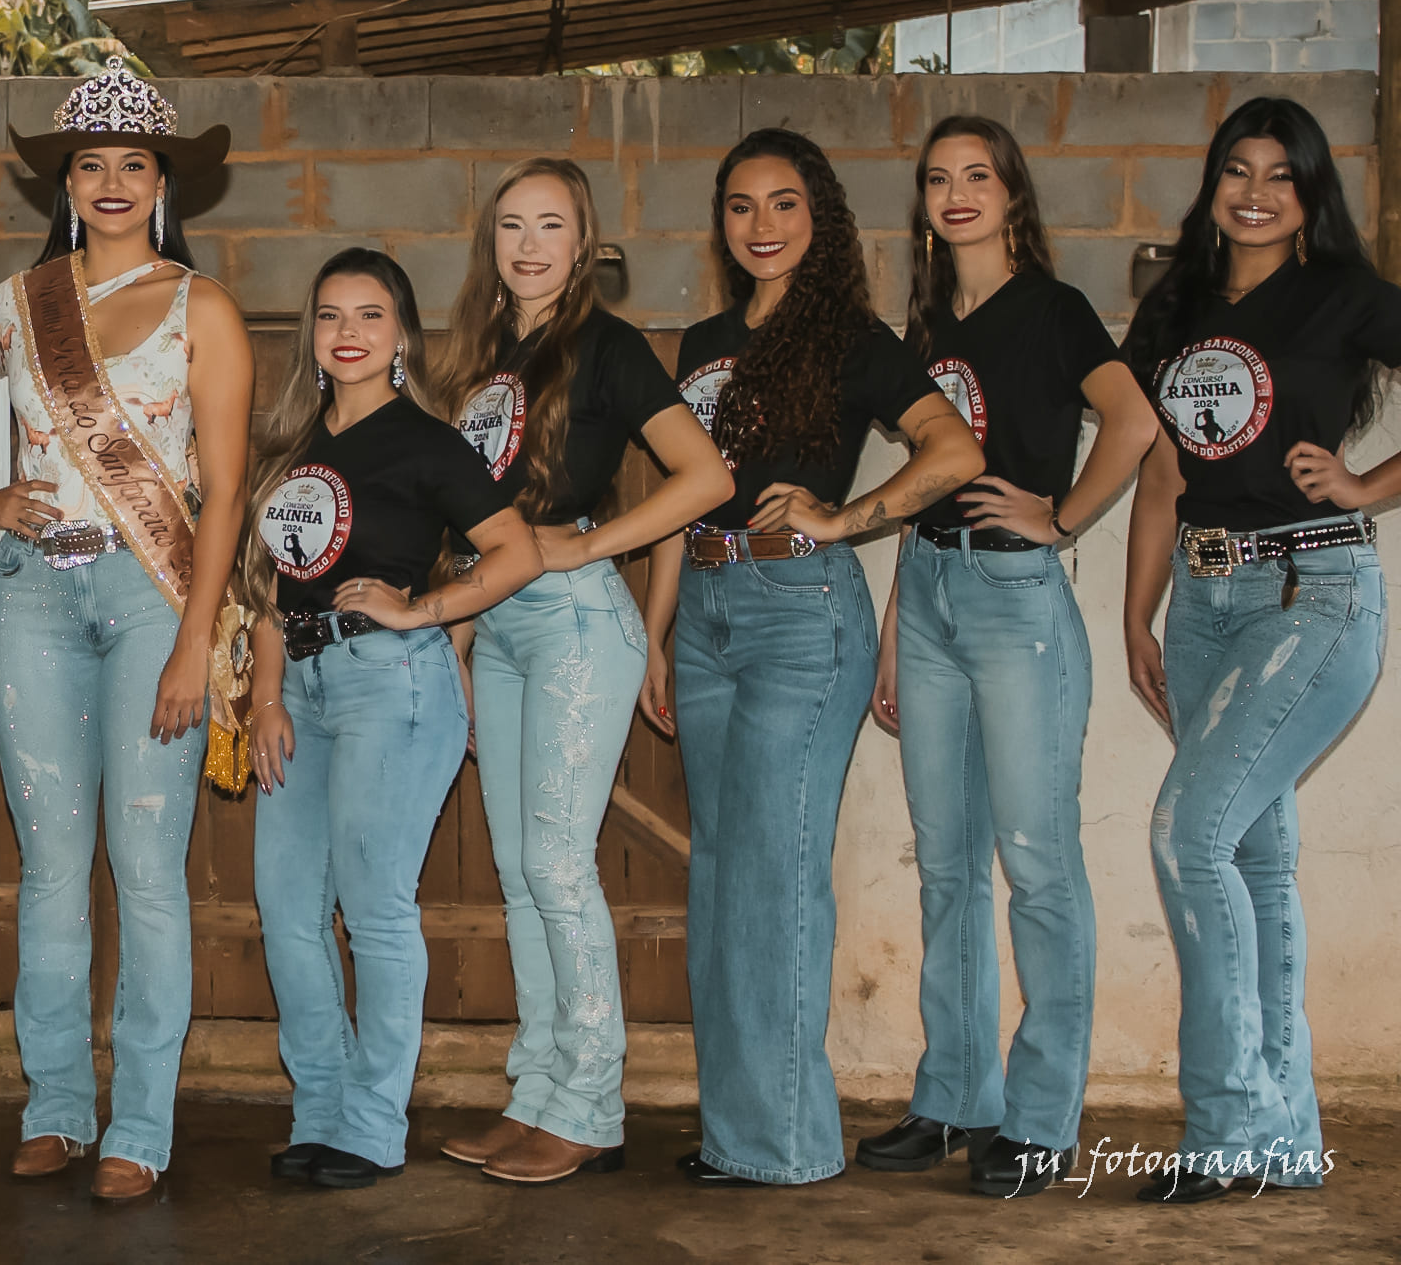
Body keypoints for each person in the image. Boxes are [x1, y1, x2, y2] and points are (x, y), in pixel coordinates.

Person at [0, 59, 253, 1200]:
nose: (108, 182)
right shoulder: (18, 303)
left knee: (145, 872)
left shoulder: (206, 308)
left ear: (161, 181)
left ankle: (139, 1124)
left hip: (155, 602)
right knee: (50, 870)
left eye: (130, 164)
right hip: (36, 596)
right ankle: (54, 1106)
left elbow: (228, 494)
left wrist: (197, 640)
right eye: (87, 164)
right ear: (64, 180)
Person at [642, 127, 982, 1188]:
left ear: (818, 216)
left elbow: (954, 450)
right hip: (701, 606)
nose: (760, 225)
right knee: (718, 873)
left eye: (783, 204)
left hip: (799, 609)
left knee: (776, 878)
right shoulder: (699, 340)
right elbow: (675, 496)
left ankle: (782, 1141)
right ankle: (736, 1127)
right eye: (740, 205)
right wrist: (655, 632)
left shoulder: (849, 334)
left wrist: (849, 516)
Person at [855, 117, 1155, 1195]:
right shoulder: (927, 324)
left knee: (1034, 865)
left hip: (1016, 602)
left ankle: (1040, 1116)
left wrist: (1064, 520)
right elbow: (922, 488)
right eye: (937, 178)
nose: (955, 193)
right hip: (929, 593)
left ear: (1011, 193)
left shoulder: (1056, 311)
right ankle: (952, 1098)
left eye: (976, 176)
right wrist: (896, 629)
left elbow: (1134, 423)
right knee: (945, 865)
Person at [429, 159, 732, 1186]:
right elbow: (457, 520)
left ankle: (592, 1103)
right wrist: (459, 644)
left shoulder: (606, 347)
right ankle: (536, 1093)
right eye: (510, 225)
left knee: (559, 868)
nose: (527, 245)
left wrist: (583, 547)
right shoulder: (477, 353)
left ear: (583, 240)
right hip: (493, 618)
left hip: (568, 623)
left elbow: (705, 478)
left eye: (549, 226)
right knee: (521, 875)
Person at [1120, 97, 1400, 1203]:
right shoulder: (1176, 304)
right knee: (1250, 861)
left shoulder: (1341, 295)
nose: (1254, 191)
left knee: (1184, 838)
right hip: (1202, 597)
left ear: (1311, 195)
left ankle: (1226, 1129)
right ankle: (1282, 1136)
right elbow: (1154, 471)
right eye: (1237, 169)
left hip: (1312, 587)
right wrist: (1138, 612)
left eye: (1282, 176)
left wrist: (1370, 486)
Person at [241, 249, 542, 1190]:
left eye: (370, 316)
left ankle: (372, 1126)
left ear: (403, 335)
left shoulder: (427, 442)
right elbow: (270, 585)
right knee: (289, 910)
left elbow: (516, 550)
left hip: (392, 684)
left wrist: (425, 608)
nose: (348, 333)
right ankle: (322, 1109)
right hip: (300, 687)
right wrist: (261, 695)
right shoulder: (292, 442)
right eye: (331, 315)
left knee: (374, 911)